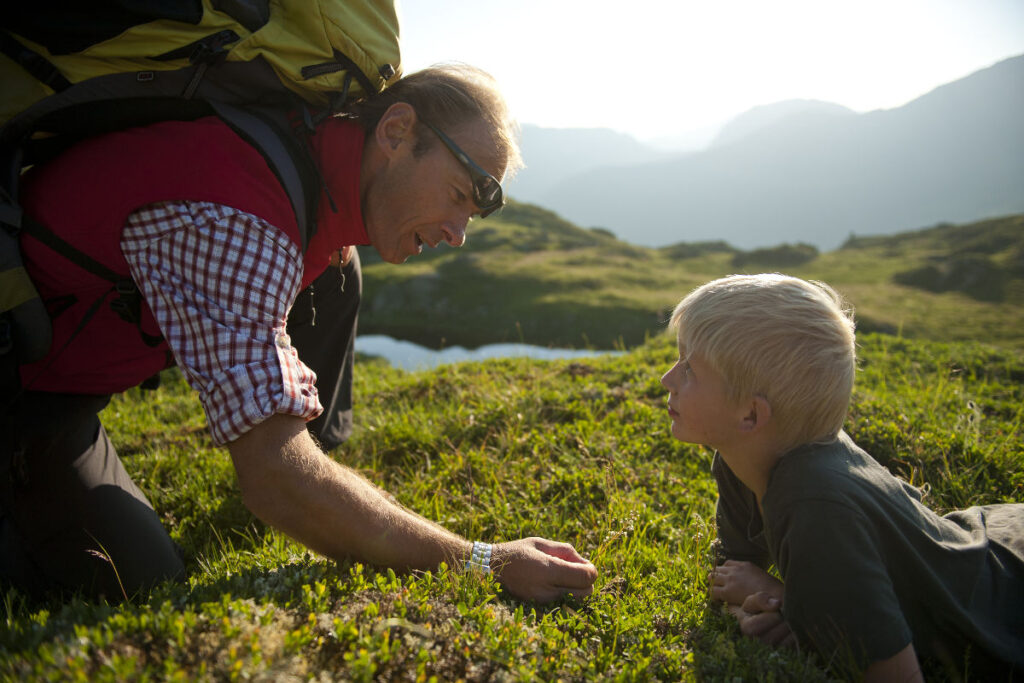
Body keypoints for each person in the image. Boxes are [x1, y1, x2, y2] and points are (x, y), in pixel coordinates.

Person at [0, 64, 597, 603]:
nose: (458, 232)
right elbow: (274, 478)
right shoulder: (242, 221)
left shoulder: (307, 158)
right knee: (142, 585)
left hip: (70, 389)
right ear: (395, 131)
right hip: (27, 399)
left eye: (475, 212)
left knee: (342, 274)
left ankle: (324, 463)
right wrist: (482, 561)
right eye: (459, 195)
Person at [658, 274, 1023, 680]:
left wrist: (790, 605)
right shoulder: (740, 456)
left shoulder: (817, 506)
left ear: (751, 416)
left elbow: (898, 677)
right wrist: (750, 607)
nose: (667, 379)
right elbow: (732, 574)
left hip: (1006, 596)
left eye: (689, 369)